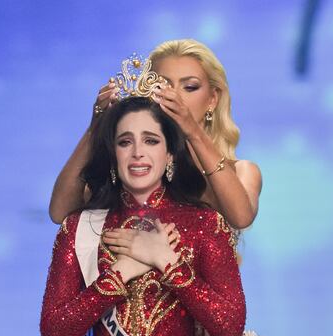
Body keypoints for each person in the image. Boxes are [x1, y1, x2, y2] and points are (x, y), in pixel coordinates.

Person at [37, 96, 246, 336]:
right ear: (112, 154)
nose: (137, 152)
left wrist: (169, 264)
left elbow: (229, 326)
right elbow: (54, 334)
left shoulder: (205, 226)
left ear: (170, 154)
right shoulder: (82, 229)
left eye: (151, 140)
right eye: (125, 141)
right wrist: (118, 274)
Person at [48, 39, 262, 230]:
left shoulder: (243, 171)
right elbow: (59, 212)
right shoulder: (138, 169)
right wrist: (96, 127)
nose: (174, 96)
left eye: (189, 87)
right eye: (163, 85)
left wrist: (192, 131)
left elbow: (241, 217)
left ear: (212, 99)